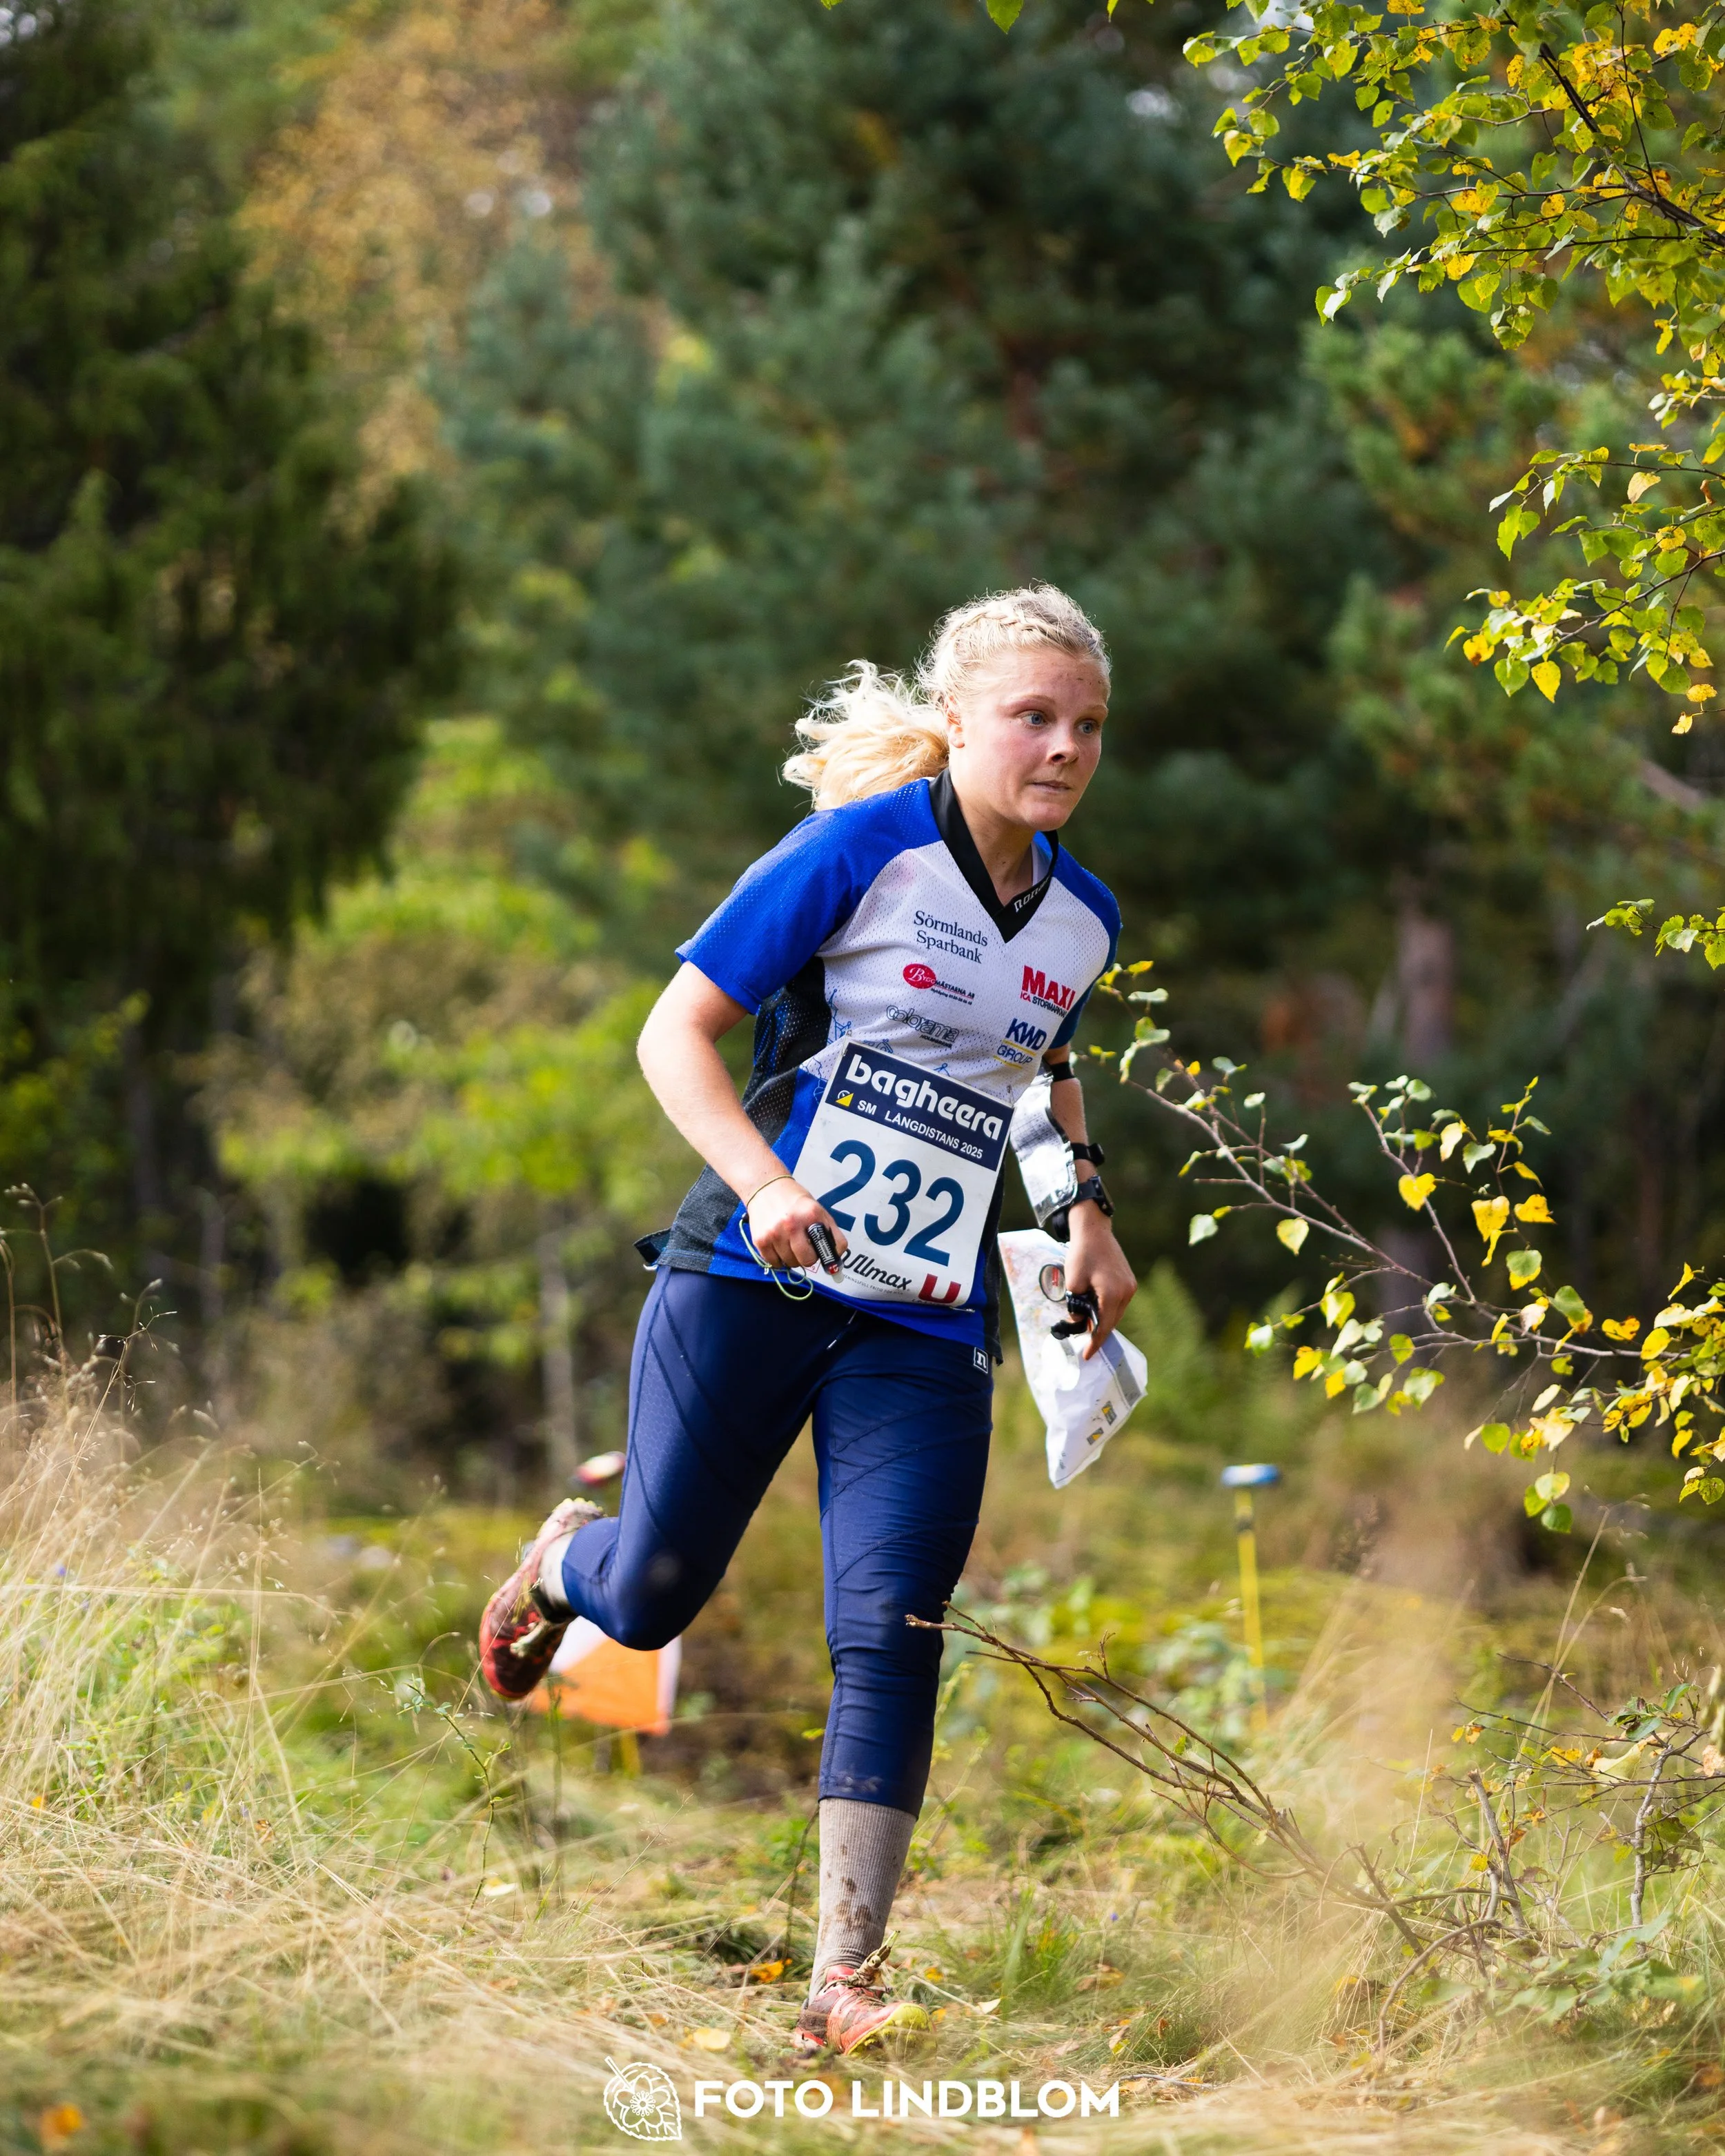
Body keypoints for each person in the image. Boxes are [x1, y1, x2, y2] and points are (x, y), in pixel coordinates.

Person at [478, 584, 1136, 2055]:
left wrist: (1082, 1213)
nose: (1062, 746)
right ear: (957, 717)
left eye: (1086, 724)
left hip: (919, 1317)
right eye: (1032, 715)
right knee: (649, 1595)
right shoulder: (858, 850)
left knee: (893, 1626)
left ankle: (842, 1976)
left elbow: (1034, 1066)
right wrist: (767, 1181)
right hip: (753, 1276)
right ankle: (556, 1562)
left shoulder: (1081, 914)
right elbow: (675, 1031)